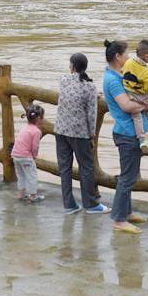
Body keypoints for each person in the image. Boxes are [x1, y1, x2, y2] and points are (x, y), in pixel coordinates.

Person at [102, 40, 148, 234]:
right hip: (126, 132)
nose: (129, 57)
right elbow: (127, 106)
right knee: (127, 177)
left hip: (130, 133)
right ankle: (119, 219)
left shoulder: (118, 75)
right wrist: (146, 106)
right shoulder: (113, 80)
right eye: (126, 54)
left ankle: (126, 212)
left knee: (129, 176)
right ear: (117, 57)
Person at [54, 53, 109, 215]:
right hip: (79, 134)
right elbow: (91, 115)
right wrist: (92, 136)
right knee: (86, 168)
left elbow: (72, 94)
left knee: (65, 168)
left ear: (72, 65)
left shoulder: (63, 80)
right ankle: (90, 205)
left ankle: (69, 205)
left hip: (61, 130)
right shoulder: (89, 87)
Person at [121, 39, 148, 151]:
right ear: (147, 56)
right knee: (147, 102)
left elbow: (122, 71)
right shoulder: (144, 70)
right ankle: (143, 135)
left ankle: (142, 137)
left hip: (129, 92)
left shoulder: (128, 61)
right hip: (140, 94)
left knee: (136, 115)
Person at [12, 104, 45, 204]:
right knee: (31, 176)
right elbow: (35, 147)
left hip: (15, 155)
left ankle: (21, 194)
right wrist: (34, 156)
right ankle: (33, 196)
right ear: (39, 118)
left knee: (21, 175)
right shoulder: (36, 131)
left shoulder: (24, 127)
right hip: (25, 157)